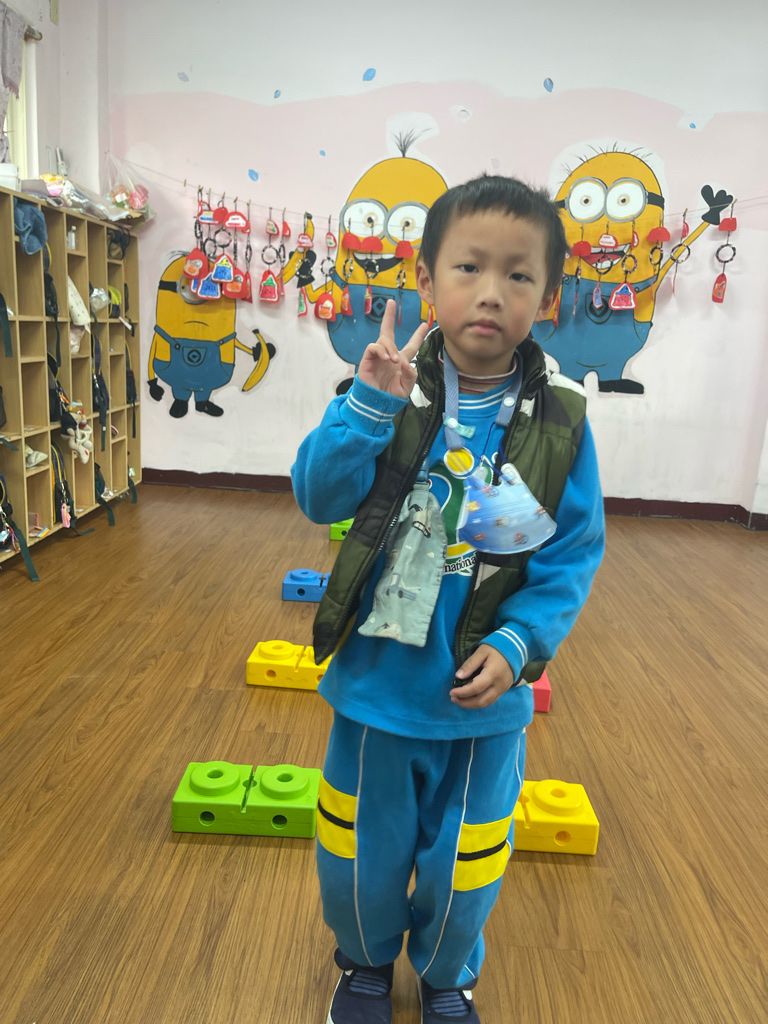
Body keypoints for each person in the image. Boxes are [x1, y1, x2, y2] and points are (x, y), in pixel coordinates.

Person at [291, 175, 605, 1024]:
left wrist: (519, 643)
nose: (491, 293)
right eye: (469, 268)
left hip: (481, 704)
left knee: (467, 862)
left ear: (549, 297)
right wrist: (366, 409)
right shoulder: (388, 389)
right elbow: (318, 497)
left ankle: (445, 976)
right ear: (427, 280)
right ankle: (362, 966)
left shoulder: (559, 421)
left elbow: (569, 553)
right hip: (377, 689)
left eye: (518, 274)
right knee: (357, 849)